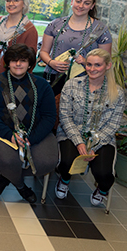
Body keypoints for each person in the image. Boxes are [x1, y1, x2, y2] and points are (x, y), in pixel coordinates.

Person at [0, 44, 57, 203]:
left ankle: (7, 175)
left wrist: (31, 139)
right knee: (9, 161)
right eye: (13, 60)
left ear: (30, 63)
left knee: (47, 162)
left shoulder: (42, 85)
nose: (18, 64)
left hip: (33, 132)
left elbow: (49, 116)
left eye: (23, 60)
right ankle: (20, 186)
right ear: (7, 62)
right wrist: (10, 135)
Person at [56, 49, 125, 206]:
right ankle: (64, 179)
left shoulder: (117, 92)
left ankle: (102, 190)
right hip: (72, 133)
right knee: (66, 161)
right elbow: (65, 117)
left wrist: (94, 145)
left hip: (102, 138)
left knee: (104, 173)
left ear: (108, 66)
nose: (92, 69)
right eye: (89, 64)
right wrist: (80, 143)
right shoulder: (72, 85)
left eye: (98, 65)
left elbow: (113, 124)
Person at [39, 0, 112, 95]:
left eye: (86, 3)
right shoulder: (55, 25)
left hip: (85, 80)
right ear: (72, 1)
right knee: (52, 109)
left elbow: (105, 62)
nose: (81, 6)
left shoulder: (100, 30)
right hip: (54, 77)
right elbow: (43, 51)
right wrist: (51, 62)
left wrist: (85, 61)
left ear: (92, 6)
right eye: (78, 1)